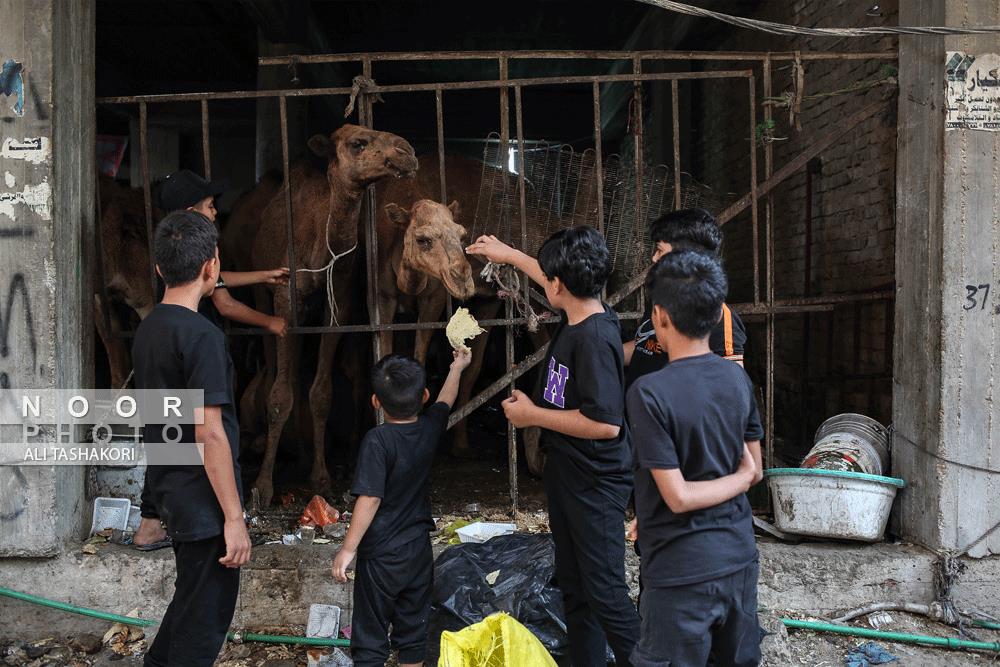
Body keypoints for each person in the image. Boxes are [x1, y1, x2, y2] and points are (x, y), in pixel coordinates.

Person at [466, 226, 640, 666]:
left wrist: (534, 417)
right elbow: (547, 278)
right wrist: (507, 255)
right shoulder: (581, 310)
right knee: (576, 588)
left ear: (561, 285)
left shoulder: (596, 339)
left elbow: (606, 425)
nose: (547, 284)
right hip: (569, 472)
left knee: (606, 593)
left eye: (550, 279)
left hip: (596, 484)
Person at [134, 169, 289, 550]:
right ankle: (208, 519)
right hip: (190, 356)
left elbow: (216, 280)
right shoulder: (200, 334)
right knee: (204, 431)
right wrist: (270, 320)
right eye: (209, 206)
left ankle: (150, 525)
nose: (216, 212)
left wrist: (263, 275)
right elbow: (222, 299)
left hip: (167, 355)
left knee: (166, 433)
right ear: (190, 213)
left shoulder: (164, 286)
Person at [626, 250, 764, 667]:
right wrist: (743, 476)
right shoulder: (736, 379)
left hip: (679, 573)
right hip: (738, 560)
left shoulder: (649, 393)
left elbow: (679, 496)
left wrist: (744, 475)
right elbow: (753, 465)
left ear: (660, 316)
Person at [133, 210, 250, 666]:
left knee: (189, 606)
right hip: (205, 503)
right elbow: (210, 434)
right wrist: (233, 517)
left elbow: (160, 420)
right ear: (212, 267)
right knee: (202, 627)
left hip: (174, 491)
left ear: (160, 268)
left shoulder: (149, 328)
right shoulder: (202, 336)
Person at [332, 350, 472, 667]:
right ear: (423, 395)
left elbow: (369, 498)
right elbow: (445, 402)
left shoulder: (377, 441)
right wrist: (457, 367)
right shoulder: (428, 429)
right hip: (418, 551)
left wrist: (347, 549)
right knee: (413, 633)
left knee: (370, 638)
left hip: (381, 556)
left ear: (375, 402)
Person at [624, 208, 746, 391]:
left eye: (660, 250)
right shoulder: (659, 297)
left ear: (685, 256)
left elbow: (729, 392)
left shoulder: (720, 318)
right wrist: (603, 353)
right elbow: (645, 345)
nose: (654, 258)